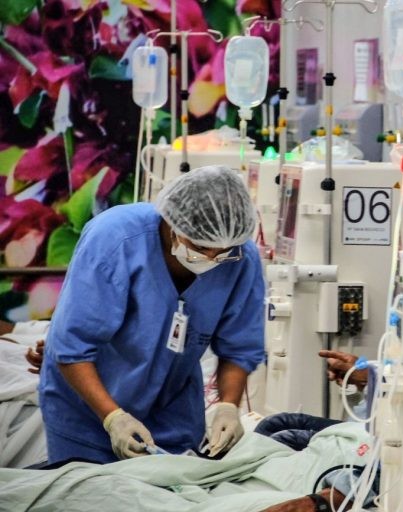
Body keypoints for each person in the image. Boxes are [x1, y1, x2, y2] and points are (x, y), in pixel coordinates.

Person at [39, 165, 265, 465]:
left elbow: (239, 347)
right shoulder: (115, 239)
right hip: (86, 416)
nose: (212, 259)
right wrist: (113, 418)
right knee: (89, 488)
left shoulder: (240, 257)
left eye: (223, 252)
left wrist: (228, 407)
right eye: (200, 247)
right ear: (172, 223)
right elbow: (71, 348)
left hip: (173, 418)